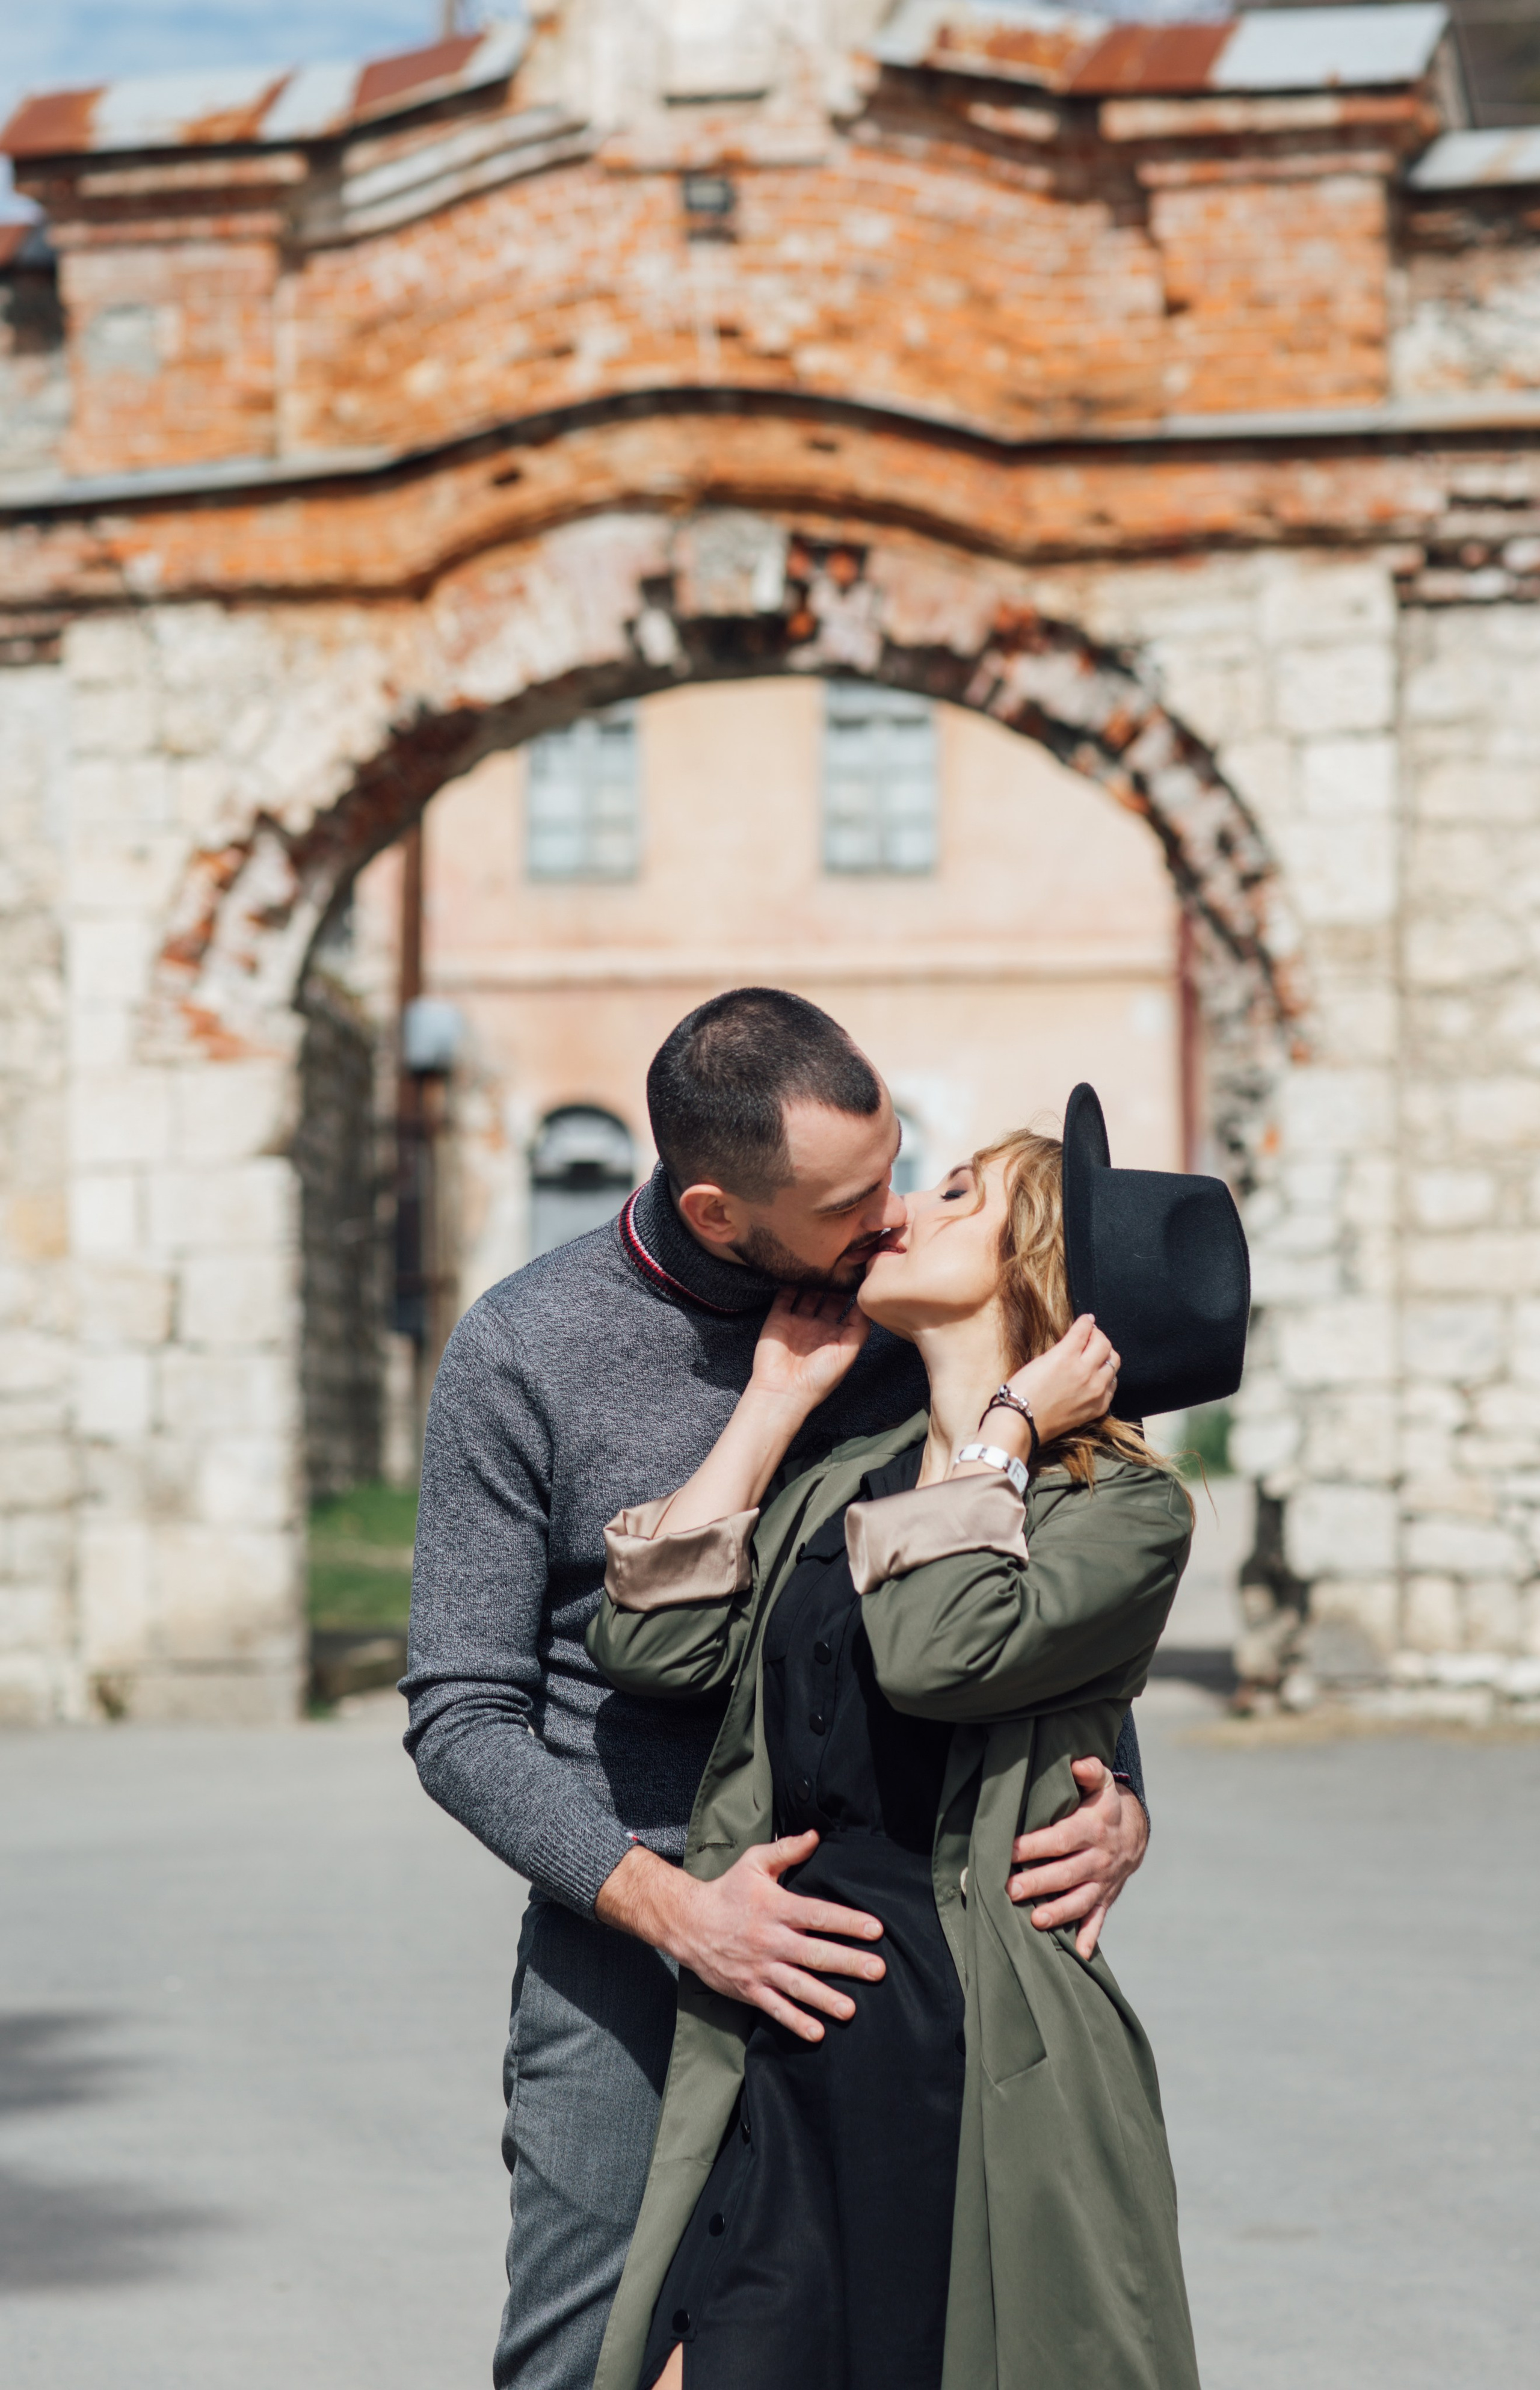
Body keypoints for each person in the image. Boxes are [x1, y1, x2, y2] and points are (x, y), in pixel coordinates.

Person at [405, 991, 1152, 2390]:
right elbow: (460, 1715)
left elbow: (1031, 1584)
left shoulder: (907, 1319)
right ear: (715, 1210)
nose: (890, 1217)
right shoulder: (523, 1347)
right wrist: (675, 1910)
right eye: (847, 1200)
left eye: (900, 1168)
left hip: (881, 1951)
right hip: (628, 1935)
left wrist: (1119, 1799)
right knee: (589, 2356)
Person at [585, 1106, 1239, 2390]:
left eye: (953, 1197)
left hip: (954, 2046)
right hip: (780, 2021)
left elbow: (938, 1652)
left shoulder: (1117, 1513)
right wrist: (773, 1406)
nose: (900, 1212)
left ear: (1027, 1269)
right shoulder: (851, 1479)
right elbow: (652, 1650)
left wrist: (997, 1431)